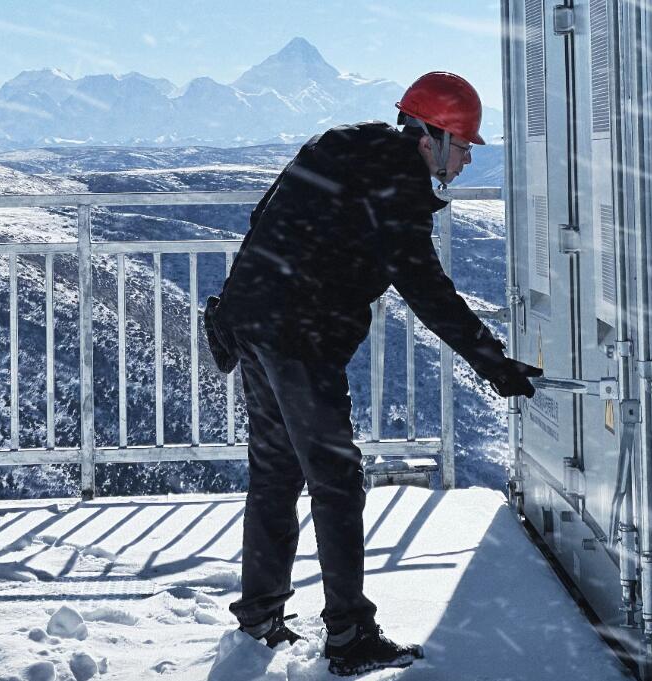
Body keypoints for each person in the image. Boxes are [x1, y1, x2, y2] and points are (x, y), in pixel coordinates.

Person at [204, 72, 542, 676]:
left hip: (251, 320)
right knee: (336, 482)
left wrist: (235, 311)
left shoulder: (344, 142)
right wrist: (494, 364)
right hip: (298, 337)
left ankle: (259, 616)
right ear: (432, 137)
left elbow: (265, 216)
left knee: (277, 473)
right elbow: (427, 288)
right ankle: (350, 635)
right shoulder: (397, 185)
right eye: (464, 145)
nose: (467, 158)